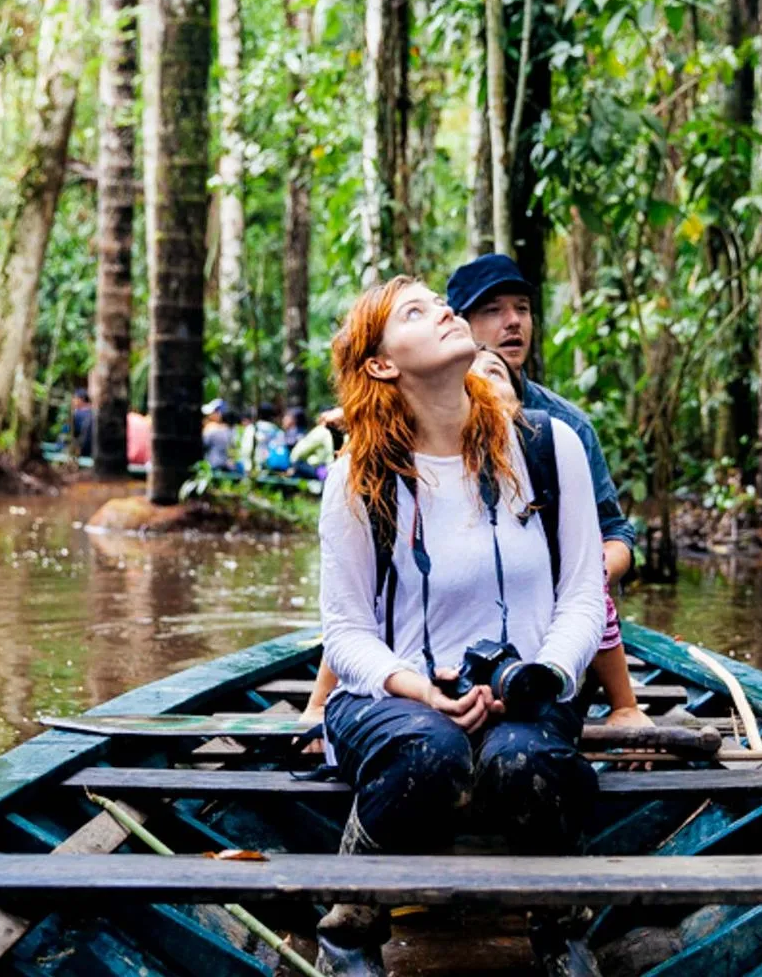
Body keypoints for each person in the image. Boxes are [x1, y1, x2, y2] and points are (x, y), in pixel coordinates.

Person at [316, 276, 604, 975]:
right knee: (431, 752)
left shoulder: (545, 446)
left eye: (438, 304)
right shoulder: (359, 473)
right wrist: (420, 690)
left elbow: (585, 596)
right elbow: (345, 631)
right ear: (382, 364)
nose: (444, 311)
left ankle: (559, 928)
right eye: (416, 312)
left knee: (523, 760)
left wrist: (542, 678)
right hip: (395, 703)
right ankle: (351, 924)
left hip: (526, 695)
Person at [451, 254, 649, 727]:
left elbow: (615, 530)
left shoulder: (566, 426)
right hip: (460, 602)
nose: (513, 321)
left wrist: (588, 574)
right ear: (458, 327)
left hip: (556, 608)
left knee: (577, 578)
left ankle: (620, 703)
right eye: (493, 311)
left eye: (522, 308)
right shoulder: (429, 419)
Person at [234, 402, 285, 473]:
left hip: (250, 468)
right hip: (270, 470)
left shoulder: (251, 428)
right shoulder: (277, 431)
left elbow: (245, 450)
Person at [202, 400, 237, 472]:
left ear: (219, 414)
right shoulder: (232, 430)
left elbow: (203, 444)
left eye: (212, 413)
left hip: (212, 466)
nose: (208, 416)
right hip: (226, 466)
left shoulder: (211, 428)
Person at [68, 389, 94, 455]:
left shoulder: (77, 414)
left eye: (74, 398)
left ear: (80, 399)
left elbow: (72, 434)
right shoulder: (95, 413)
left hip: (82, 451)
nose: (72, 401)